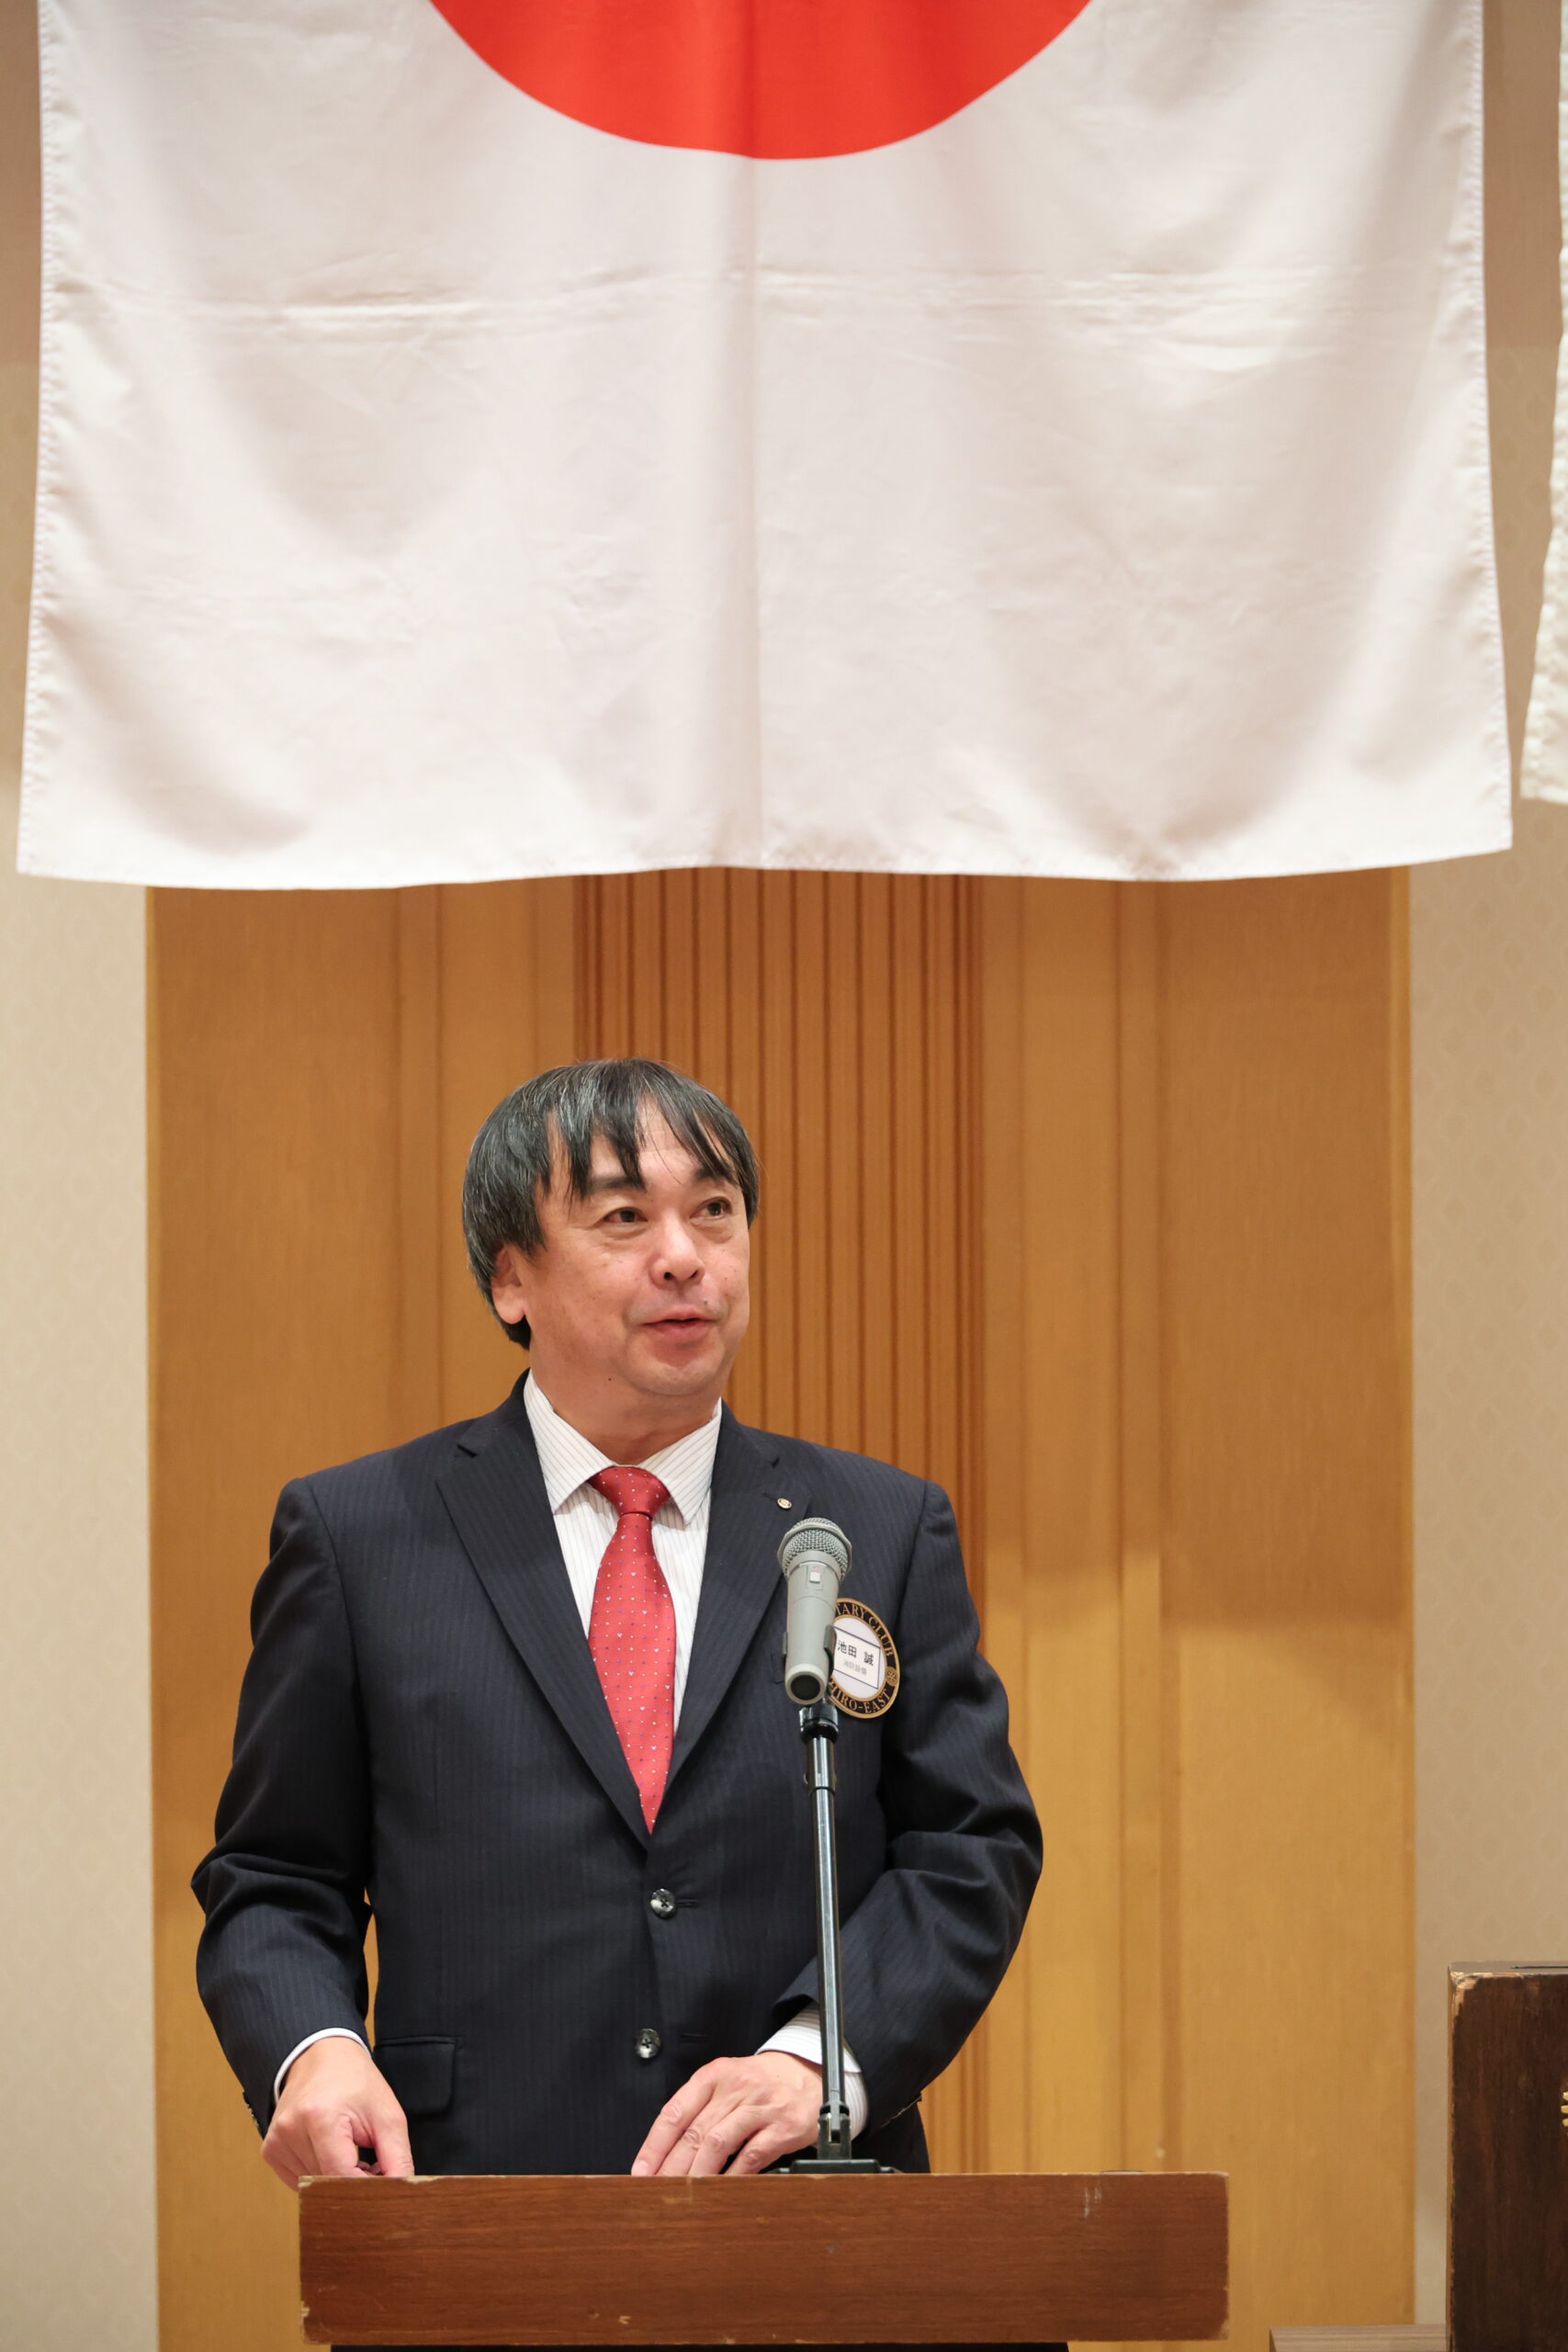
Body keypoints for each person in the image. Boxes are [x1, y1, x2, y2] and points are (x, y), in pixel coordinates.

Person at [196, 1057, 1041, 2319]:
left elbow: (971, 1845)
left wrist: (822, 2058)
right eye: (624, 1217)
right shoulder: (362, 1535)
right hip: (474, 2228)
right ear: (510, 1278)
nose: (686, 1258)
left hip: (810, 2242)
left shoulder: (876, 1526)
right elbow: (274, 1877)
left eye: (716, 1212)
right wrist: (313, 2054)